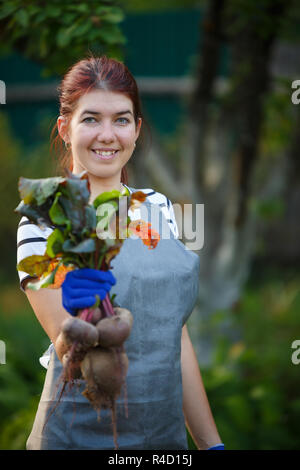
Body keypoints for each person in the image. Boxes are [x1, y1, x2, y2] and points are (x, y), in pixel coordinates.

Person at [16, 55, 224, 450]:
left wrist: (210, 444)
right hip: (75, 436)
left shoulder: (159, 208)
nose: (107, 135)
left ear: (137, 129)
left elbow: (175, 339)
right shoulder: (44, 217)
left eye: (121, 119)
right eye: (91, 118)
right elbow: (67, 353)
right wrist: (79, 322)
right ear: (65, 128)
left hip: (162, 440)